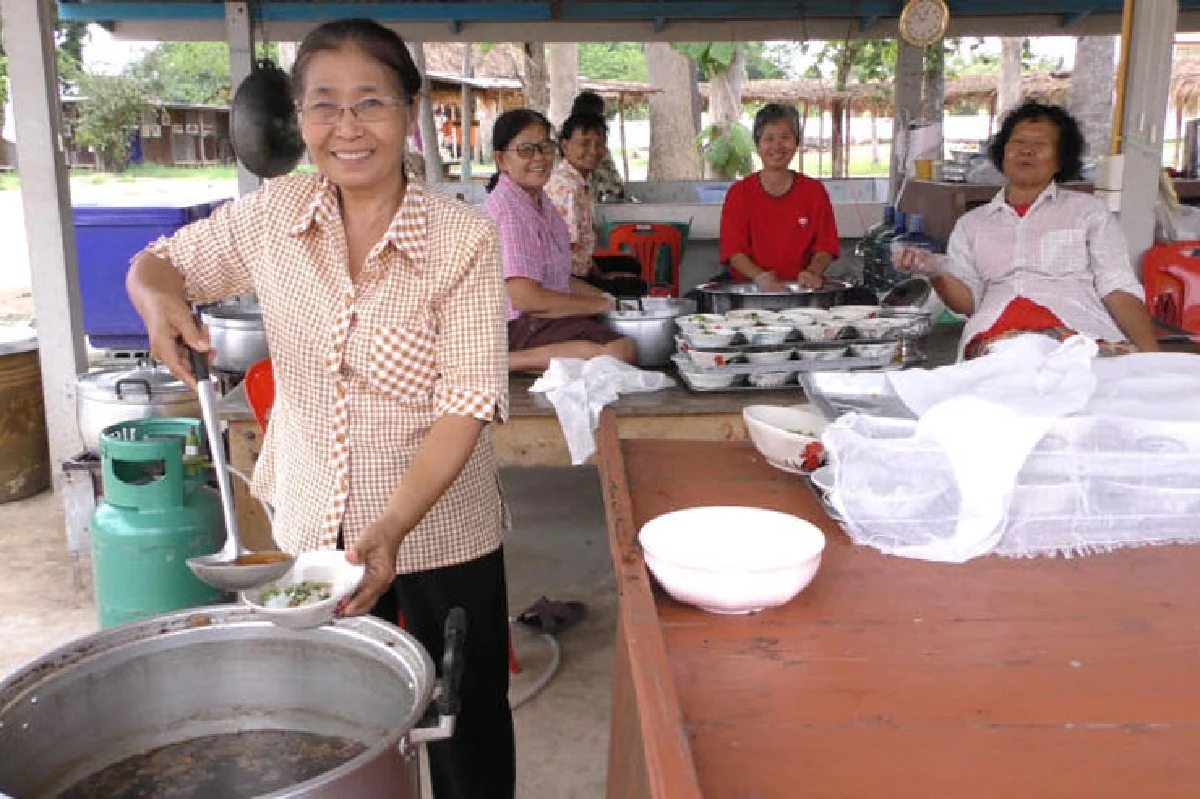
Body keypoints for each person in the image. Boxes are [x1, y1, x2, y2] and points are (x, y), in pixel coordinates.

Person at [125, 20, 515, 799]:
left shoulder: (463, 240)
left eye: (370, 102)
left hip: (440, 526)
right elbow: (160, 262)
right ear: (298, 117)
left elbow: (466, 405)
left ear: (409, 111)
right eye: (324, 105)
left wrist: (392, 527)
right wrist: (157, 299)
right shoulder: (274, 214)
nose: (348, 127)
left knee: (463, 719)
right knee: (330, 723)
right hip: (314, 522)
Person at [893, 100, 1159, 359]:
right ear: (1003, 152)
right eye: (1018, 142)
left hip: (1080, 334)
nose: (1026, 151)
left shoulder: (1089, 213)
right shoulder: (971, 225)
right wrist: (936, 272)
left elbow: (1116, 286)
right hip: (999, 338)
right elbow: (969, 304)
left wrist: (1154, 357)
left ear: (1061, 159)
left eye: (1040, 144)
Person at [481, 108, 637, 374]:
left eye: (545, 147)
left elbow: (559, 279)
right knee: (619, 351)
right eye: (526, 150)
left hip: (535, 318)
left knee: (621, 330)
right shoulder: (509, 211)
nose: (539, 157)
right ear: (501, 159)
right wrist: (600, 305)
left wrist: (608, 300)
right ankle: (496, 363)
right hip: (513, 325)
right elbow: (527, 300)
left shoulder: (539, 202)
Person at [719, 103, 840, 292]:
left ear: (796, 143)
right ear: (757, 145)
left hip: (804, 292)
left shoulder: (814, 191)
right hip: (751, 292)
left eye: (785, 137)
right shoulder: (739, 193)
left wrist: (812, 272)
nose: (777, 146)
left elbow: (826, 247)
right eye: (769, 138)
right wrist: (761, 278)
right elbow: (734, 253)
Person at [545, 111, 647, 297]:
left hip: (581, 267)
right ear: (565, 146)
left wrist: (599, 274)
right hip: (567, 278)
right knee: (635, 287)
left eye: (599, 144)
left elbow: (579, 248)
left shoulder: (580, 181)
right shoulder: (566, 187)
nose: (593, 151)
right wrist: (597, 285)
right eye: (584, 144)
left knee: (630, 265)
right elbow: (562, 250)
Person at [568, 90, 626, 200]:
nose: (592, 151)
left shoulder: (600, 150)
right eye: (584, 143)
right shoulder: (562, 183)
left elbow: (617, 188)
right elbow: (616, 187)